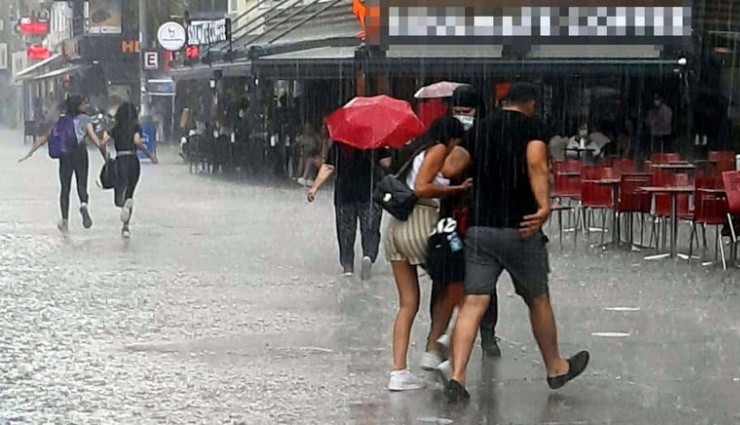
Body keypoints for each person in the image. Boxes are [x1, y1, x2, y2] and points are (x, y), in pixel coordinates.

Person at [444, 83, 589, 402]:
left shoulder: (481, 129)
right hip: (521, 228)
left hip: (482, 228)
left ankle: (457, 377)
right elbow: (536, 162)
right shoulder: (531, 127)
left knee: (474, 302)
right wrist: (543, 205)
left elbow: (450, 166)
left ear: (503, 102)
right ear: (530, 104)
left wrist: (470, 177)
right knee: (537, 298)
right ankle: (555, 368)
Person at [383, 116, 472, 391]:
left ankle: (398, 373)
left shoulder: (415, 150)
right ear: (451, 137)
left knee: (408, 303)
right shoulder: (436, 150)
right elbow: (422, 187)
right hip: (420, 223)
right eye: (457, 140)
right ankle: (442, 346)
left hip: (396, 229)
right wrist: (455, 189)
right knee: (460, 283)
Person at [19, 95, 109, 234]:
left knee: (65, 188)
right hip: (80, 153)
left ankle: (65, 221)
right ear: (78, 106)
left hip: (65, 155)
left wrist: (30, 152)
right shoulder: (85, 120)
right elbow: (95, 140)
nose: (87, 106)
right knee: (82, 184)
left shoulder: (60, 120)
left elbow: (45, 137)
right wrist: (106, 156)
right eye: (84, 103)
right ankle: (84, 205)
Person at [307, 141, 387, 279]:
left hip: (345, 192)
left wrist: (314, 188)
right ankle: (368, 255)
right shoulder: (375, 140)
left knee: (345, 229)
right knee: (371, 227)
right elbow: (386, 163)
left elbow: (329, 167)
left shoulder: (340, 144)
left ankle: (347, 266)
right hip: (370, 191)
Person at [109, 102, 159, 238]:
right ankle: (125, 227)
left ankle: (122, 204)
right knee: (130, 194)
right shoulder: (136, 127)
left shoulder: (115, 128)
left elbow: (102, 142)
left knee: (119, 191)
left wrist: (106, 157)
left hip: (120, 160)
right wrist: (150, 155)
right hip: (132, 160)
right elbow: (137, 142)